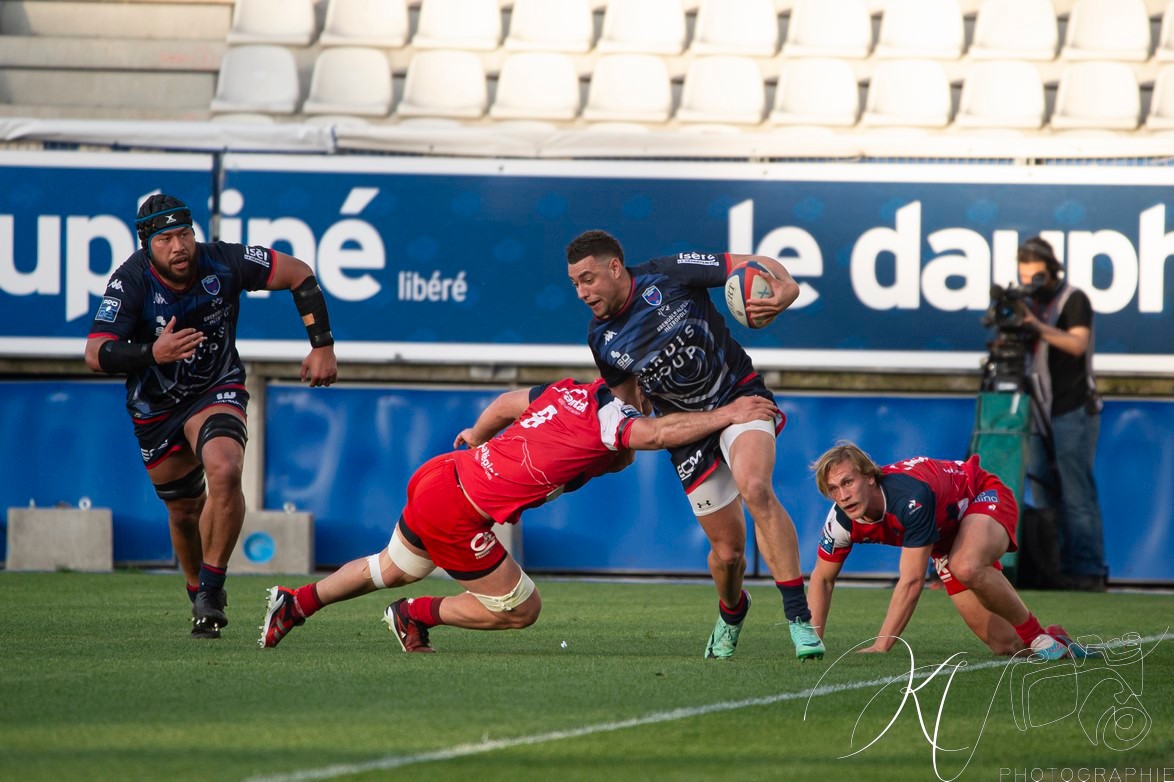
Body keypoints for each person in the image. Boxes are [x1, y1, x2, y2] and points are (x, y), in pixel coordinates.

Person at [259, 379, 778, 651]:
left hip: (442, 474)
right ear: (636, 385)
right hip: (459, 510)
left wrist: (478, 436)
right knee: (522, 608)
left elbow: (510, 402)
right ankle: (414, 613)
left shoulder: (570, 390)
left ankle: (295, 602)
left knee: (392, 568)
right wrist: (731, 413)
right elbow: (659, 436)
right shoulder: (614, 419)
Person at [85, 193, 338, 639]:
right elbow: (95, 354)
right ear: (147, 244)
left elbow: (299, 273)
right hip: (155, 407)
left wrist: (322, 345)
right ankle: (197, 593)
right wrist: (152, 352)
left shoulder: (224, 260)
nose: (179, 247)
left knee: (224, 470)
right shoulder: (130, 282)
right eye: (165, 239)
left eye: (184, 234)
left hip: (215, 387)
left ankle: (213, 588)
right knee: (183, 511)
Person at [565, 229, 824, 661]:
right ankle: (732, 611)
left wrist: (788, 287)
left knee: (756, 488)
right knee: (728, 554)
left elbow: (750, 262)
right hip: (688, 434)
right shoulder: (601, 339)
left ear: (615, 267)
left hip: (740, 397)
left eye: (587, 278)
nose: (581, 292)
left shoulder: (669, 273)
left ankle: (799, 620)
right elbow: (627, 403)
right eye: (575, 283)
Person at [807, 442, 1093, 660]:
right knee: (1007, 645)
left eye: (848, 482)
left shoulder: (908, 499)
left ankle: (1036, 635)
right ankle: (1055, 639)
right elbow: (822, 579)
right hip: (945, 537)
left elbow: (912, 581)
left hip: (979, 494)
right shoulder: (840, 521)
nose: (842, 495)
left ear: (869, 477)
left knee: (966, 565)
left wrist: (882, 645)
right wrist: (813, 643)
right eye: (833, 489)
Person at [1017, 237, 1108, 592]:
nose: (1030, 284)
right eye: (1024, 277)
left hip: (1072, 407)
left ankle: (1086, 570)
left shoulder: (1074, 298)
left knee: (1076, 491)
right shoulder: (1024, 301)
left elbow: (1077, 343)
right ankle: (1053, 567)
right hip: (1036, 409)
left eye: (1036, 276)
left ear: (1052, 271)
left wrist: (1035, 326)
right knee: (1041, 490)